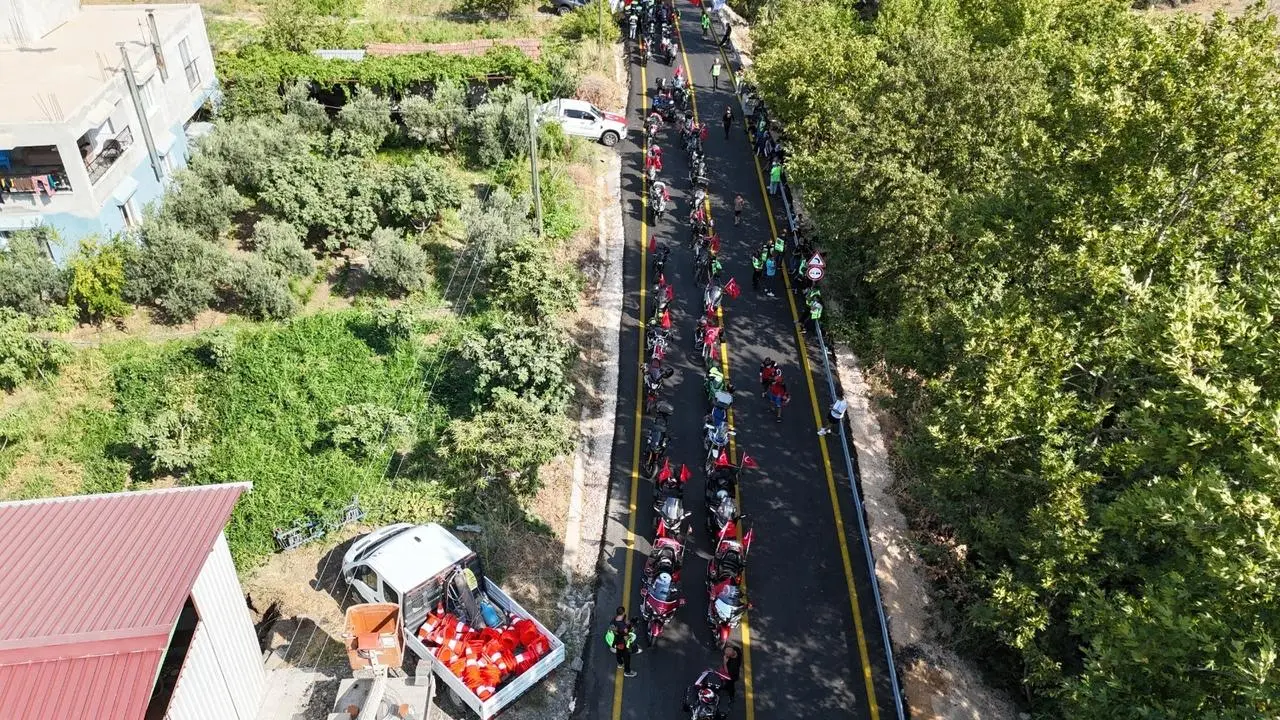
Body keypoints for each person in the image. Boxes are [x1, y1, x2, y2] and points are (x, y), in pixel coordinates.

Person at [604, 607, 639, 677]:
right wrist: (630, 637)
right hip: (622, 643)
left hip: (616, 641)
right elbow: (626, 636)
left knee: (618, 653)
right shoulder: (623, 627)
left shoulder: (614, 620)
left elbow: (613, 629)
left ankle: (620, 664)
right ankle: (627, 672)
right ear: (623, 613)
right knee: (627, 657)